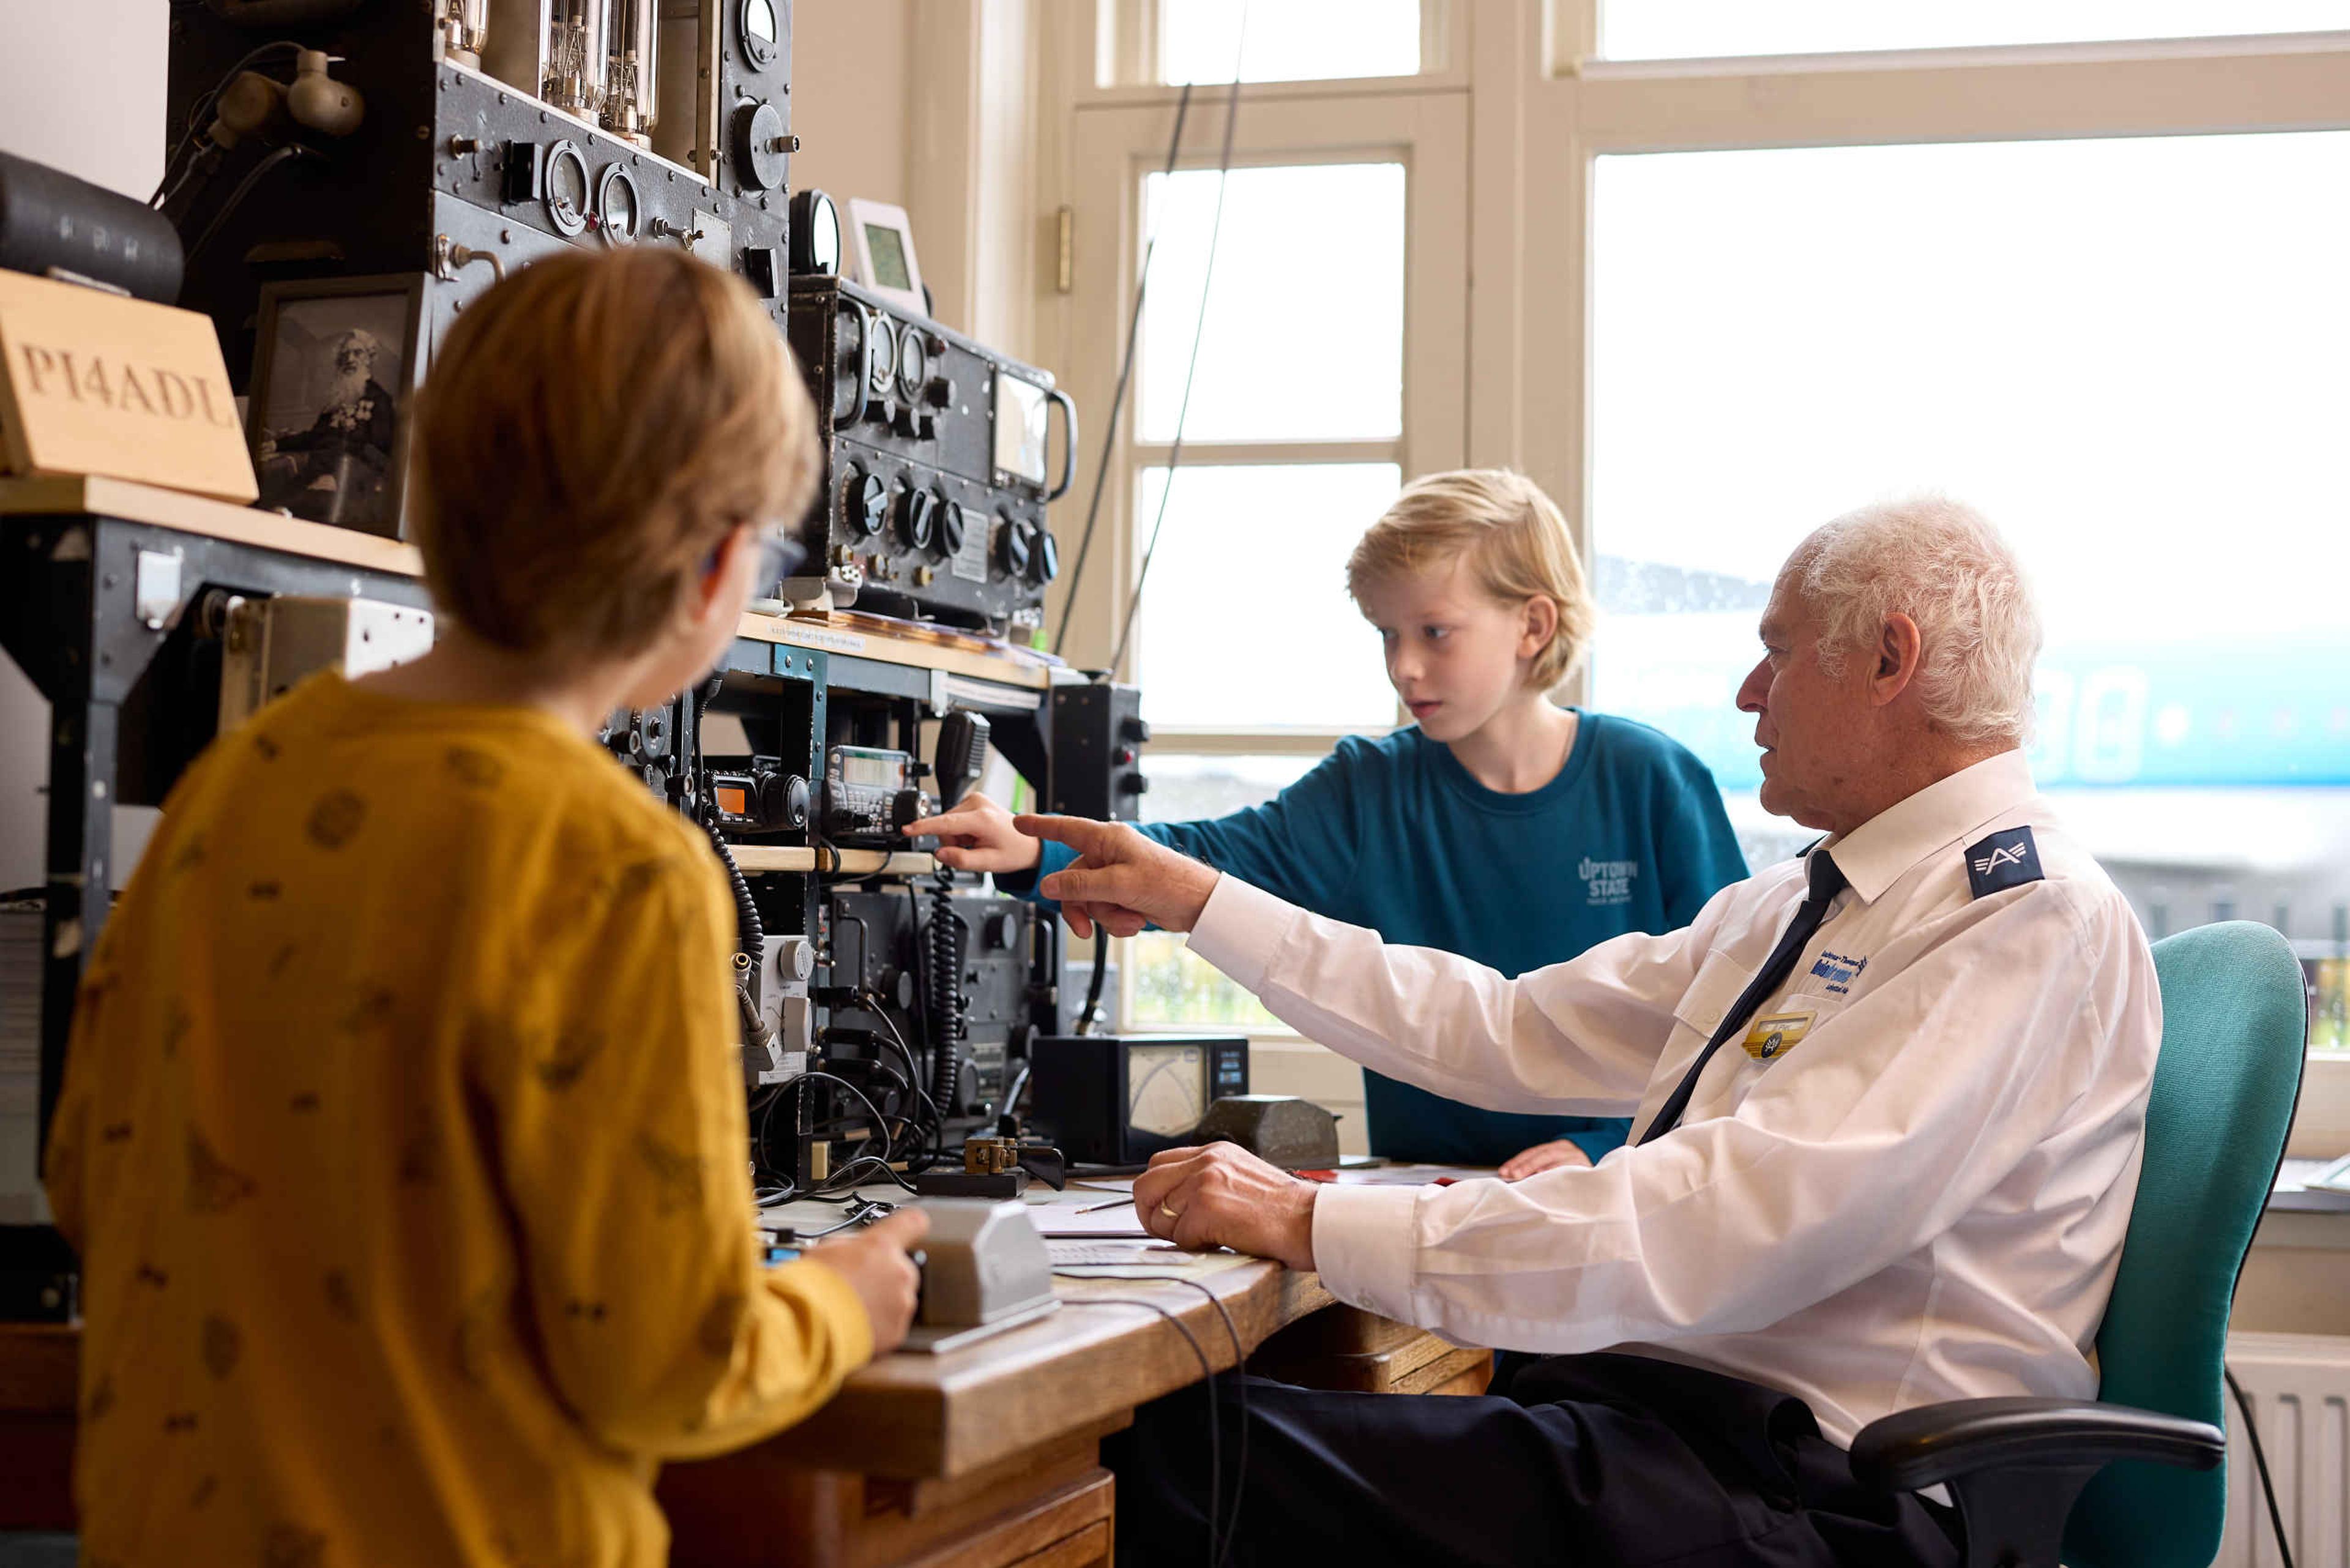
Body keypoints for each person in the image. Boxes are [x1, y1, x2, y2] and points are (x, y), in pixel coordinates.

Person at [1013, 498, 2160, 1567]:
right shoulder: (1812, 901)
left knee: (1159, 1458)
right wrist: (1199, 900)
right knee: (1193, 1427)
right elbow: (1507, 1025)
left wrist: (1312, 1216)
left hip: (1831, 1496)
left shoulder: (2021, 916)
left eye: (1782, 649)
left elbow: (1723, 1216)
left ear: (1888, 660)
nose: (1752, 691)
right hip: (1677, 1425)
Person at [43, 248, 930, 1567]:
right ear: (715, 569)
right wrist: (844, 1303)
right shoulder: (621, 867)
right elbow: (667, 1366)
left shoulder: (237, 784)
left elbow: (83, 1185)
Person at [908, 469, 1746, 1174]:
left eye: (1435, 632)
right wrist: (1031, 848)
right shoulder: (1368, 785)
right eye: (1387, 633)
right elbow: (1204, 862)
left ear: (1533, 624)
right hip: (1423, 1207)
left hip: (1622, 1202)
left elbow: (1735, 1029)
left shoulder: (1655, 781)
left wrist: (1602, 1149)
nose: (1404, 665)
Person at [258, 327, 399, 526]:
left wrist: (340, 478)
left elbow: (379, 452)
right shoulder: (337, 401)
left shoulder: (380, 401)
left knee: (294, 514)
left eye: (357, 353)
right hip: (313, 475)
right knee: (269, 505)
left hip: (349, 484)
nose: (350, 359)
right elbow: (315, 437)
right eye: (345, 355)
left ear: (369, 359)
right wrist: (276, 445)